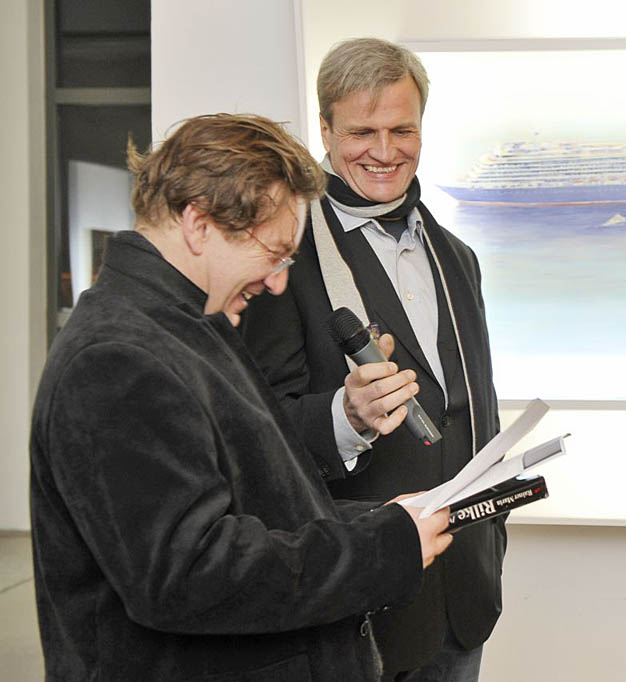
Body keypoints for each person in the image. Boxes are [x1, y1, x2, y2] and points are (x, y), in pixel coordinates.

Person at [29, 113, 454, 682]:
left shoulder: (187, 327)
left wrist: (381, 520)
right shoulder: (116, 358)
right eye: (273, 253)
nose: (277, 282)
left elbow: (255, 502)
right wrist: (381, 550)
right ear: (199, 224)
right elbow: (188, 575)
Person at [241, 38, 503, 681]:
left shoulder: (458, 255)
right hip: (354, 601)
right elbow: (253, 436)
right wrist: (346, 415)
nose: (385, 152)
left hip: (466, 594)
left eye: (401, 130)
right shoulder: (280, 260)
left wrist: (493, 540)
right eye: (362, 132)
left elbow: (470, 408)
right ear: (325, 130)